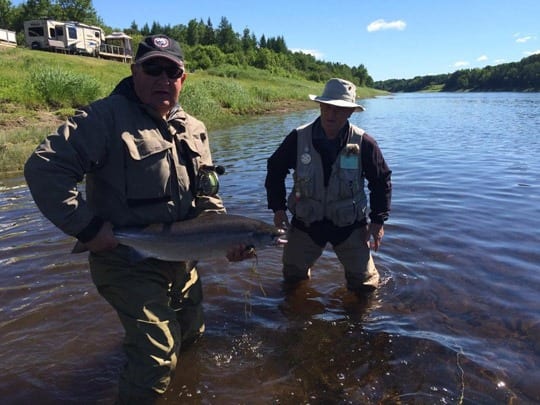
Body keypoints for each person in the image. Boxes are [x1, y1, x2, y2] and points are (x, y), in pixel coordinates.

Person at [24, 34, 250, 404]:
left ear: (183, 78)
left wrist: (226, 239)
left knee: (191, 336)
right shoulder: (104, 118)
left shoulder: (195, 128)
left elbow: (208, 197)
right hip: (125, 260)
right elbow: (44, 168)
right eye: (152, 68)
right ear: (134, 71)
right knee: (156, 356)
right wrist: (89, 228)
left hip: (183, 259)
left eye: (172, 70)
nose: (163, 78)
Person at [265, 78, 392, 293]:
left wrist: (378, 220)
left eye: (339, 109)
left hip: (350, 226)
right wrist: (278, 209)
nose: (331, 114)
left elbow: (381, 181)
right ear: (320, 106)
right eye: (327, 107)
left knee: (365, 287)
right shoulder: (298, 138)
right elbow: (275, 169)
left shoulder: (364, 143)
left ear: (350, 112)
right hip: (306, 223)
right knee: (293, 279)